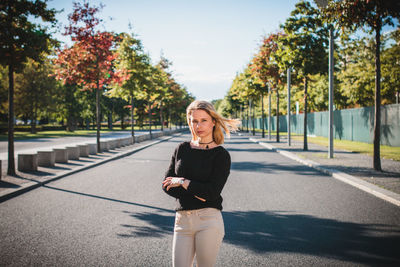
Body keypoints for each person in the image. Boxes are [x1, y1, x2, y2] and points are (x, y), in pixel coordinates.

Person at [162, 100, 240, 267]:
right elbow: (167, 185)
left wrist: (183, 181)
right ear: (189, 122)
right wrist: (199, 191)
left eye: (203, 120)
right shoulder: (181, 149)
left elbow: (212, 193)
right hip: (181, 221)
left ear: (213, 121)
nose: (199, 125)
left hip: (208, 221)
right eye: (194, 121)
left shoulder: (220, 155)